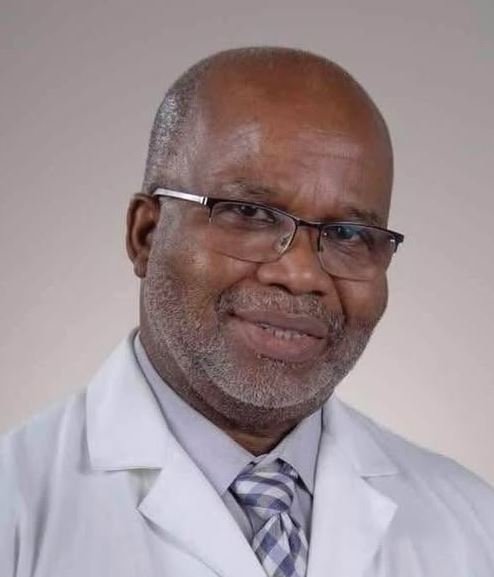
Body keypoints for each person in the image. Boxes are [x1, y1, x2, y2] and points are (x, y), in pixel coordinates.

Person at [1, 47, 493, 577]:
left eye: (349, 234)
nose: (301, 274)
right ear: (146, 235)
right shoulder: (17, 510)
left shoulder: (473, 526)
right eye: (250, 213)